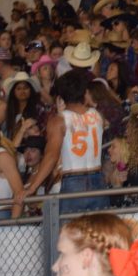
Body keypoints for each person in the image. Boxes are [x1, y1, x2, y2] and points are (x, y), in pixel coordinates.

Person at [23, 70, 107, 214]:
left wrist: (32, 187)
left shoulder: (59, 120)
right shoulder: (97, 115)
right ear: (84, 92)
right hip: (98, 179)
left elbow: (51, 156)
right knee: (98, 233)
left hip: (73, 181)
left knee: (69, 233)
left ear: (61, 97)